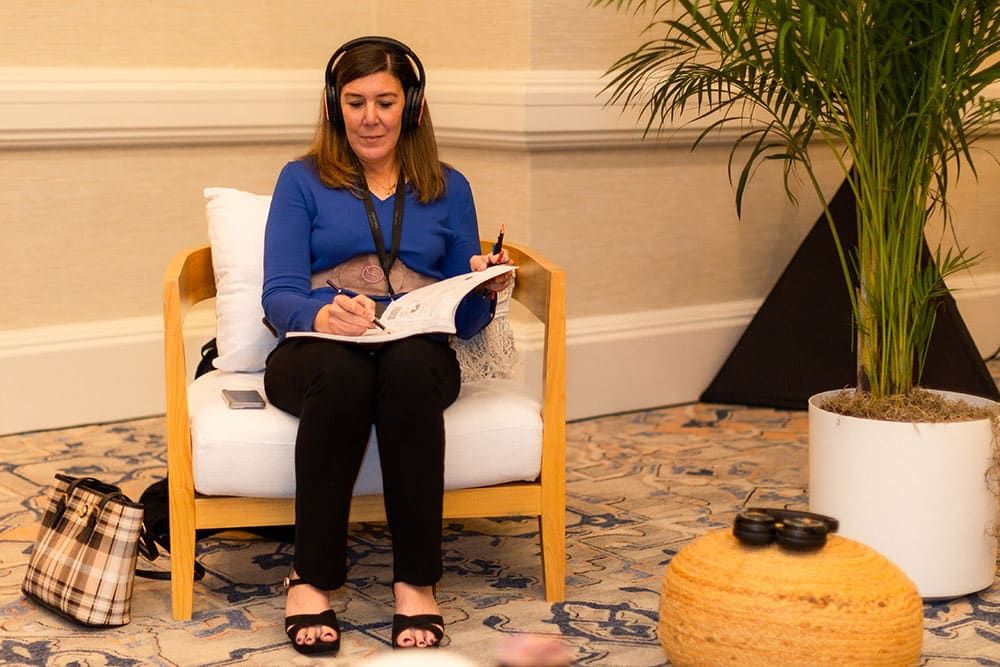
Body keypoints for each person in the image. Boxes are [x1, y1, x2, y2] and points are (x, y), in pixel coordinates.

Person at [261, 36, 511, 656]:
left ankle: (416, 583)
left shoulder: (449, 187)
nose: (369, 118)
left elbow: (465, 320)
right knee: (344, 375)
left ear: (413, 107)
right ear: (334, 107)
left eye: (385, 101)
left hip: (413, 351)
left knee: (408, 371)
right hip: (317, 350)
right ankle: (311, 577)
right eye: (355, 102)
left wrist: (485, 286)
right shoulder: (300, 180)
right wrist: (325, 312)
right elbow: (278, 295)